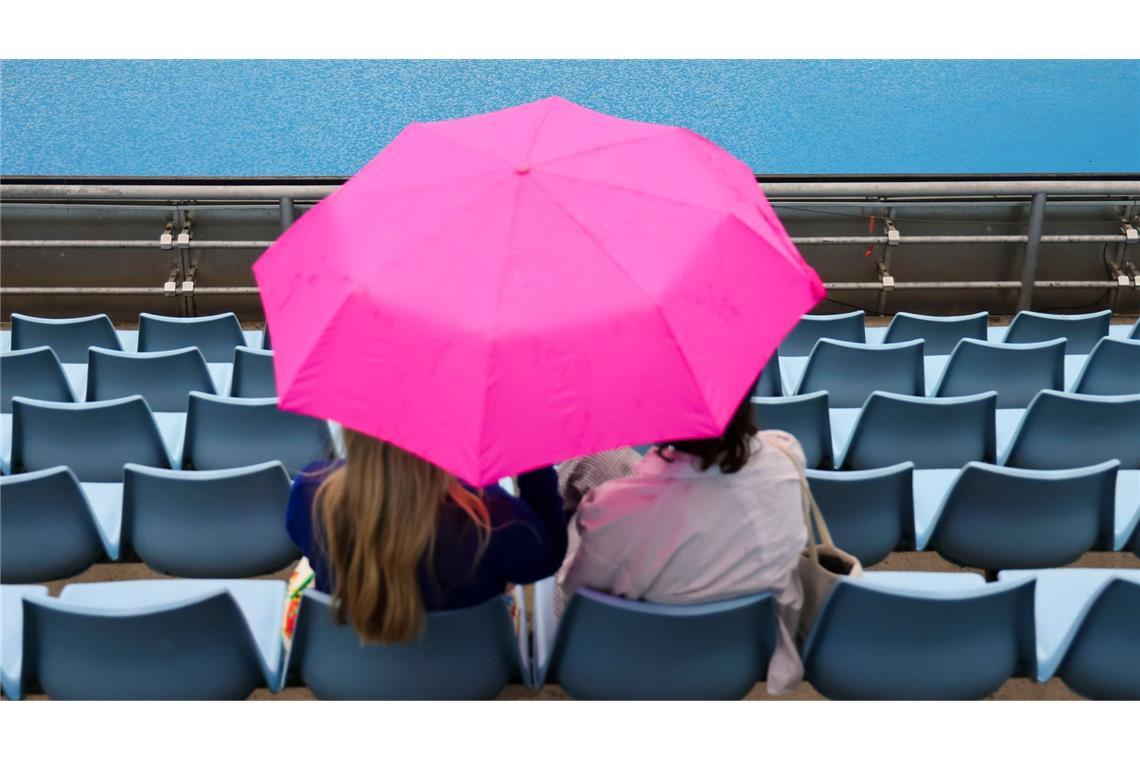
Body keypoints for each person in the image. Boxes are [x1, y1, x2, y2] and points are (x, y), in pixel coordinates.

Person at [556, 397, 808, 693]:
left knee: (585, 466)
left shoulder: (615, 509)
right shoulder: (787, 458)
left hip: (631, 654)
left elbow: (578, 595)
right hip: (743, 653)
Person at [286, 428, 567, 642]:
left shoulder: (311, 490)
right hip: (468, 672)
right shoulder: (490, 515)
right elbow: (549, 556)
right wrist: (535, 454)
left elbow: (301, 538)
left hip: (348, 667)